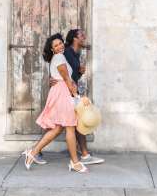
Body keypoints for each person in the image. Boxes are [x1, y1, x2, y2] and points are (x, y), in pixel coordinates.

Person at [22, 33, 91, 173]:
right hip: (63, 93)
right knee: (70, 126)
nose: (59, 46)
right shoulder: (59, 57)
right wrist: (78, 97)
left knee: (58, 128)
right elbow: (66, 79)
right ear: (52, 49)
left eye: (60, 43)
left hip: (60, 92)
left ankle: (33, 152)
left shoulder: (59, 57)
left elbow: (65, 78)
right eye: (56, 45)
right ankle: (75, 163)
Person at [61, 29, 105, 165]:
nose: (84, 37)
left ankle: (85, 154)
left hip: (71, 90)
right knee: (58, 125)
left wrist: (79, 72)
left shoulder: (75, 53)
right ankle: (35, 151)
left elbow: (72, 74)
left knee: (78, 121)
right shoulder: (67, 52)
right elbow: (61, 71)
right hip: (66, 91)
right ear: (74, 38)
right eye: (81, 35)